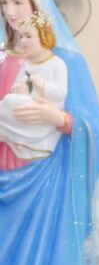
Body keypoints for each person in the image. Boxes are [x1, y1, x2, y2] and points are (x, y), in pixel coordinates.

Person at [0, 0, 99, 265]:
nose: (10, 12)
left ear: (36, 6)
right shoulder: (1, 60)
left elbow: (95, 130)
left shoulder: (65, 61)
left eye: (18, 2)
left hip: (46, 184)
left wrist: (56, 117)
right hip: (4, 178)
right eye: (4, 3)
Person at [0, 12, 68, 161]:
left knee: (11, 102)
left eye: (28, 36)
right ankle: (12, 133)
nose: (23, 41)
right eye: (21, 37)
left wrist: (41, 85)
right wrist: (19, 88)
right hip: (28, 103)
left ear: (43, 37)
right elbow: (19, 83)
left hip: (43, 111)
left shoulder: (57, 64)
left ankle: (13, 133)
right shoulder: (27, 64)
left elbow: (60, 93)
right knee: (9, 101)